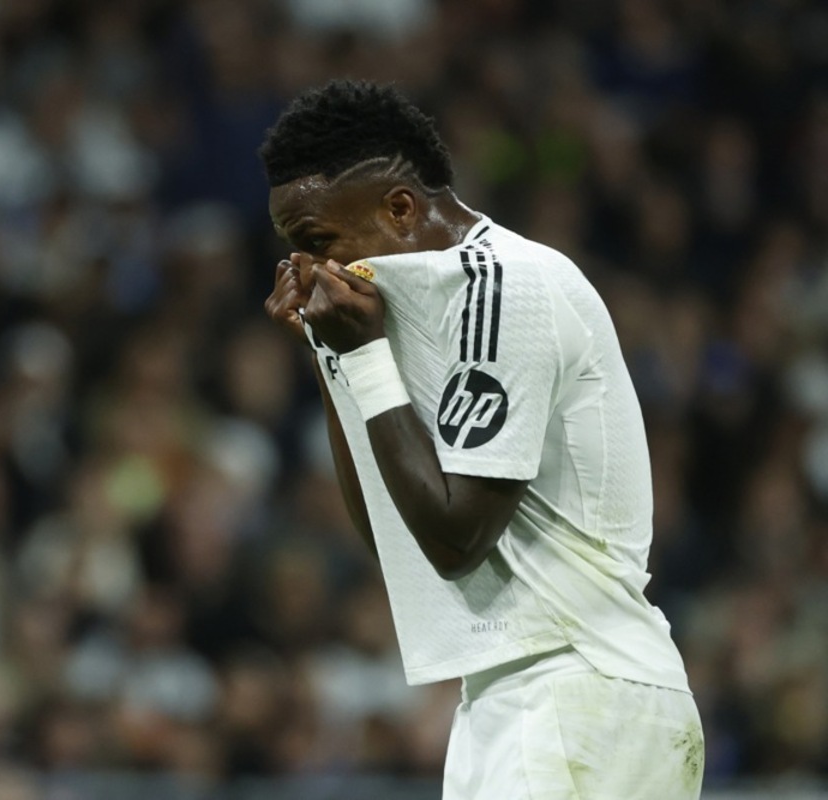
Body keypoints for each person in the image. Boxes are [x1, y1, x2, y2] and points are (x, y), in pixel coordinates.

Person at [260, 80, 704, 799]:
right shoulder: (439, 307)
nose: (313, 272)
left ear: (400, 208)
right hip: (515, 701)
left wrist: (367, 357)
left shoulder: (508, 287)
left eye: (318, 243)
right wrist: (328, 351)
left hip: (577, 694)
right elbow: (401, 537)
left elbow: (456, 536)